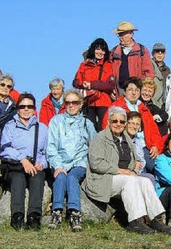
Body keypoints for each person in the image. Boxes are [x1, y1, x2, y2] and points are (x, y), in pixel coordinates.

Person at [85, 106, 171, 235]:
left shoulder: (126, 138)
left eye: (122, 121)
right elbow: (96, 163)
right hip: (103, 178)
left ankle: (154, 218)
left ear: (125, 123)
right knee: (129, 181)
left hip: (124, 177)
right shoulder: (100, 138)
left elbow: (135, 160)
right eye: (115, 121)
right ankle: (135, 221)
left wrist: (134, 169)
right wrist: (120, 170)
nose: (118, 124)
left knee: (146, 181)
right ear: (109, 122)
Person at [46, 90, 97, 232]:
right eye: (68, 102)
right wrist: (57, 165)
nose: (71, 105)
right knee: (61, 177)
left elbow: (94, 145)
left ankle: (75, 213)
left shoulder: (87, 124)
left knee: (72, 177)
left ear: (80, 104)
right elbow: (51, 146)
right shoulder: (56, 121)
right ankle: (57, 212)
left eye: (75, 102)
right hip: (60, 161)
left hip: (80, 162)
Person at [0, 93, 48, 230]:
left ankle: (34, 217)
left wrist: (42, 163)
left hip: (34, 166)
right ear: (18, 108)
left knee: (37, 178)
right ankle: (17, 216)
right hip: (15, 167)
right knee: (18, 179)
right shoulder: (9, 126)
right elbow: (5, 148)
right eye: (22, 106)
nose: (26, 109)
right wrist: (22, 159)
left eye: (29, 106)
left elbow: (46, 152)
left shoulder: (42, 128)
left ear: (34, 109)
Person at [102, 77, 161, 163]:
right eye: (130, 90)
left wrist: (155, 146)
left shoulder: (144, 109)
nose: (134, 93)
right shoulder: (116, 108)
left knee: (158, 164)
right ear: (124, 92)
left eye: (137, 90)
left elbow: (154, 131)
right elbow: (106, 128)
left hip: (145, 147)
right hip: (126, 147)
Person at [73, 38, 115, 131]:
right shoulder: (84, 65)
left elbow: (110, 86)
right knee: (88, 129)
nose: (100, 52)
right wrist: (82, 84)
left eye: (103, 50)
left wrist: (92, 84)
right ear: (93, 50)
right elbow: (75, 82)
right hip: (88, 102)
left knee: (104, 129)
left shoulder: (109, 65)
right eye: (98, 49)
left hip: (103, 102)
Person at [110, 21, 154, 96]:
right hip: (119, 91)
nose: (120, 37)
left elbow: (149, 73)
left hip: (136, 92)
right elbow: (109, 73)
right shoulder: (113, 52)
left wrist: (139, 88)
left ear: (131, 34)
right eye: (119, 35)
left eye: (122, 34)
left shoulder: (142, 50)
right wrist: (111, 89)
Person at [125, 111, 156, 183]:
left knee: (150, 177)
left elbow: (142, 161)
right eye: (132, 123)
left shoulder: (138, 141)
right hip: (124, 172)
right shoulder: (121, 139)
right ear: (126, 123)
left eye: (137, 124)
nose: (134, 126)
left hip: (137, 172)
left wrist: (136, 171)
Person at [150, 43, 170, 108]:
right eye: (157, 51)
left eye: (162, 51)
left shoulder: (168, 71)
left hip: (162, 104)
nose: (160, 53)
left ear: (165, 54)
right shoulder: (148, 66)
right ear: (152, 53)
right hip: (151, 101)